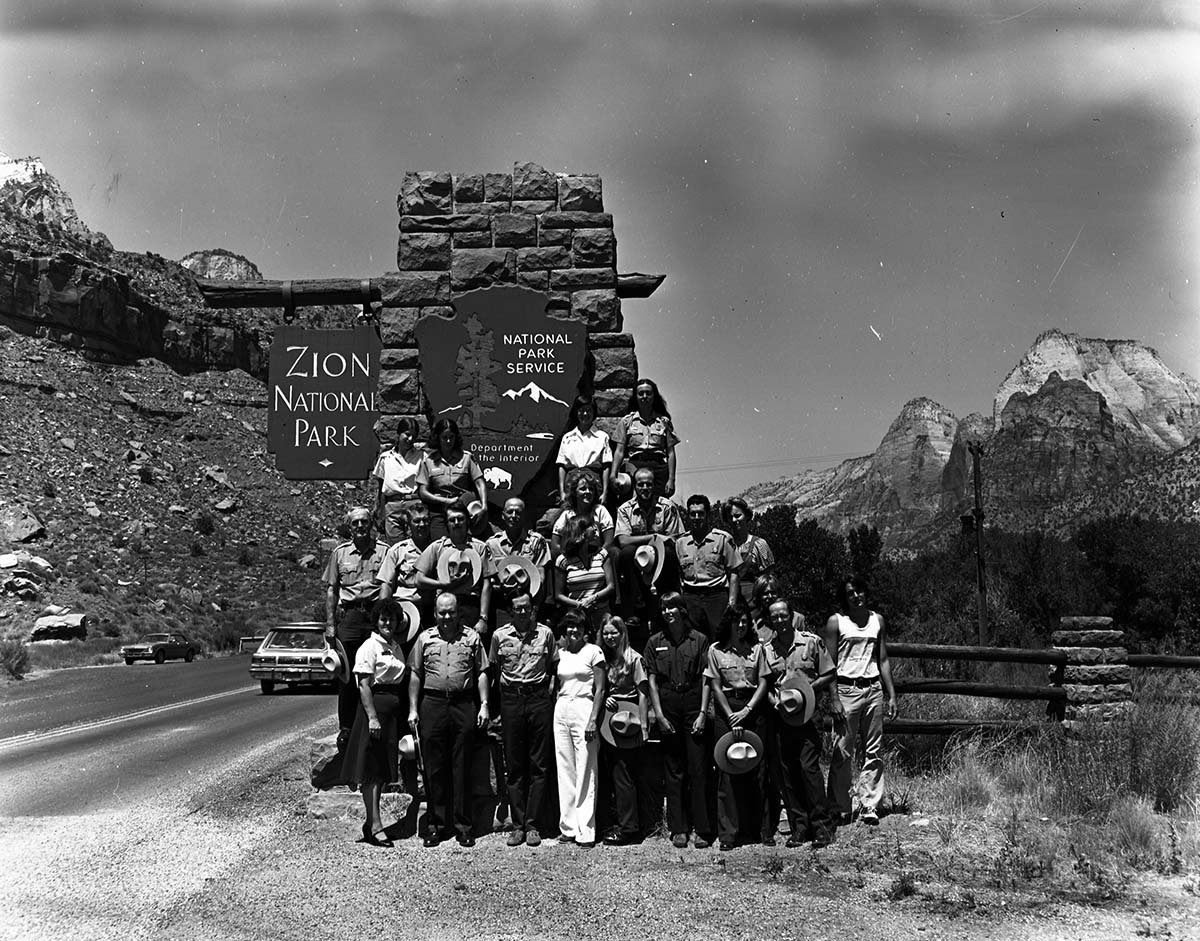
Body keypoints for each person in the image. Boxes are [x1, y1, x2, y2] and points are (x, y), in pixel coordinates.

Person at [407, 592, 490, 848]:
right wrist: (413, 708)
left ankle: (464, 826)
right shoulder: (424, 638)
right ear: (435, 613)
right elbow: (415, 674)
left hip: (464, 703)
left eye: (451, 612)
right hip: (432, 703)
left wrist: (484, 704)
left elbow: (481, 673)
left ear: (458, 612)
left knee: (462, 765)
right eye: (442, 612)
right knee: (434, 767)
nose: (446, 617)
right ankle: (436, 825)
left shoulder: (472, 638)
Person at [763, 598, 837, 848]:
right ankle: (800, 827)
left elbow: (829, 672)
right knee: (788, 771)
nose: (780, 621)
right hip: (782, 716)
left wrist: (808, 689)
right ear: (770, 620)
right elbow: (764, 684)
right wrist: (776, 701)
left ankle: (822, 826)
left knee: (809, 768)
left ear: (791, 616)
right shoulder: (767, 650)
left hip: (808, 715)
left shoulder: (811, 642)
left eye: (783, 615)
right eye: (774, 617)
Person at [825, 575, 898, 827]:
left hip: (873, 688)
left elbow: (883, 659)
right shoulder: (837, 623)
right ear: (845, 598)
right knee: (842, 750)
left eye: (859, 591)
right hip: (847, 690)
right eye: (850, 593)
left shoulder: (877, 621)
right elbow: (829, 664)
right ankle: (839, 807)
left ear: (866, 593)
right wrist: (833, 697)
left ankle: (869, 804)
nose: (856, 596)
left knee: (873, 749)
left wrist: (891, 694)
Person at [644, 592, 715, 848]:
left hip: (693, 700)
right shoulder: (655, 642)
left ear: (682, 610)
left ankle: (703, 828)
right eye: (664, 608)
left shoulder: (699, 640)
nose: (668, 611)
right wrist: (659, 714)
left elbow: (707, 678)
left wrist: (703, 713)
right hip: (668, 702)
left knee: (698, 768)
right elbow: (651, 679)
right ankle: (679, 828)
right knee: (674, 769)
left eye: (672, 607)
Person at [489, 591, 557, 848]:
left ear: (533, 609)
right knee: (515, 765)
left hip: (538, 699)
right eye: (518, 608)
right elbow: (495, 670)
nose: (523, 612)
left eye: (527, 607)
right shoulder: (499, 636)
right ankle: (517, 825)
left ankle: (533, 825)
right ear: (510, 611)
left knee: (539, 764)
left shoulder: (546, 634)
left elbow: (553, 668)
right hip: (512, 699)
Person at [340, 598, 411, 847]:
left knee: (380, 771)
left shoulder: (395, 647)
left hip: (391, 712)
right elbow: (363, 686)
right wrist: (372, 717)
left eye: (392, 618)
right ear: (376, 621)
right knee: (370, 770)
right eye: (383, 618)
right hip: (375, 712)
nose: (387, 623)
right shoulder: (369, 647)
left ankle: (372, 822)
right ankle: (376, 826)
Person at [705, 603, 770, 851]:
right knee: (727, 769)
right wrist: (732, 714)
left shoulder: (757, 649)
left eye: (744, 621)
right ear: (728, 623)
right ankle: (728, 834)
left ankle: (760, 829)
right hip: (727, 710)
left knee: (758, 768)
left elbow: (763, 681)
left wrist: (748, 710)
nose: (741, 626)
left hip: (753, 707)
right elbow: (715, 686)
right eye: (736, 622)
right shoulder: (716, 650)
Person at [323, 507, 390, 744]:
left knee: (377, 671)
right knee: (348, 675)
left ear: (371, 524)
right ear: (349, 527)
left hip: (375, 616)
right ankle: (347, 728)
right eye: (355, 523)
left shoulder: (384, 552)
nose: (360, 526)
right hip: (350, 618)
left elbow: (388, 584)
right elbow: (332, 589)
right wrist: (331, 625)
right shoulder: (339, 554)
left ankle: (376, 721)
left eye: (364, 522)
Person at [595, 614, 651, 846]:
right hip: (607, 721)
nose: (609, 637)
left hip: (627, 722)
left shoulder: (633, 658)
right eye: (606, 632)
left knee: (623, 774)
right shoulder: (602, 657)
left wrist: (644, 725)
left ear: (622, 633)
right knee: (611, 773)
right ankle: (613, 822)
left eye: (614, 632)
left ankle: (630, 828)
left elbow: (643, 692)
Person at [553, 610, 606, 847]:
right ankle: (568, 827)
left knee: (586, 768)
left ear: (586, 630)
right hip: (562, 708)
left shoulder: (593, 652)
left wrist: (593, 719)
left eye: (579, 627)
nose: (574, 631)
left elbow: (601, 689)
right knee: (565, 768)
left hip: (584, 708)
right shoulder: (560, 653)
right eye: (570, 627)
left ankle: (586, 830)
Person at [613, 467, 684, 619]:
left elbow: (674, 538)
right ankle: (637, 603)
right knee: (625, 553)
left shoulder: (667, 506)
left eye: (648, 484)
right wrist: (654, 536)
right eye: (640, 484)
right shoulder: (625, 509)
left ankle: (669, 597)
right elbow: (623, 540)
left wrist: (659, 541)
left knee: (671, 554)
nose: (645, 488)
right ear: (635, 486)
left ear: (654, 485)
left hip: (662, 555)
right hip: (638, 558)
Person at [414, 504, 495, 635]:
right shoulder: (437, 547)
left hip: (470, 606)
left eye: (460, 519)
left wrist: (483, 618)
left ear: (467, 521)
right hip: (445, 605)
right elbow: (419, 579)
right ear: (446, 524)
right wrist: (442, 584)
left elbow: (487, 584)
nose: (456, 523)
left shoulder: (480, 547)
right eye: (452, 520)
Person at [675, 494, 741, 637]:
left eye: (700, 513)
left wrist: (732, 603)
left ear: (708, 515)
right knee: (694, 641)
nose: (697, 517)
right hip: (691, 599)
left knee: (719, 639)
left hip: (716, 597)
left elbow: (734, 572)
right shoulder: (681, 543)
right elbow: (679, 576)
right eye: (693, 514)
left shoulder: (722, 539)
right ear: (688, 516)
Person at [416, 417, 488, 542]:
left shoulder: (466, 458)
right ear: (438, 438)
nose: (448, 441)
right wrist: (444, 501)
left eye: (451, 437)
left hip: (463, 509)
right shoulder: (429, 461)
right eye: (444, 437)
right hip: (439, 511)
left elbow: (479, 482)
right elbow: (423, 492)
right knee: (440, 545)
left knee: (465, 544)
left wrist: (484, 506)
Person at [610, 378, 679, 499]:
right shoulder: (627, 422)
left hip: (659, 469)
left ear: (654, 396)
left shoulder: (664, 422)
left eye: (648, 393)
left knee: (659, 506)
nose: (644, 396)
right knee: (634, 505)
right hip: (635, 467)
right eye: (641, 393)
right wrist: (613, 474)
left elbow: (671, 452)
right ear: (636, 397)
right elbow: (619, 451)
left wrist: (671, 479)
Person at [485, 497, 551, 620]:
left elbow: (541, 579)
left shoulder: (536, 542)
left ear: (524, 515)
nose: (514, 515)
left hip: (528, 605)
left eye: (518, 512)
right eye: (510, 512)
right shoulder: (491, 544)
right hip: (502, 606)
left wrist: (534, 611)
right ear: (503, 515)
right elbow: (488, 581)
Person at [553, 516, 615, 632]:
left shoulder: (601, 554)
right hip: (576, 615)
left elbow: (611, 586)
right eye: (591, 526)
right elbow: (559, 595)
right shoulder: (563, 560)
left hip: (601, 612)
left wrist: (592, 599)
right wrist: (579, 604)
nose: (595, 529)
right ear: (581, 532)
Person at [376, 501, 434, 623]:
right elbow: (386, 584)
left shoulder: (438, 549)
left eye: (425, 520)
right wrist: (383, 612)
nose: (421, 525)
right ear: (408, 525)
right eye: (416, 521)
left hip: (432, 609)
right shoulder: (397, 551)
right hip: (405, 610)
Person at [555, 394, 612, 507]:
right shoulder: (568, 437)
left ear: (593, 412)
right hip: (571, 481)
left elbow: (606, 466)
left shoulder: (602, 437)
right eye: (581, 410)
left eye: (588, 410)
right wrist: (562, 491)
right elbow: (561, 466)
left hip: (593, 482)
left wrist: (605, 492)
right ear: (576, 412)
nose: (585, 414)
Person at [373, 418, 423, 542]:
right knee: (395, 547)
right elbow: (381, 487)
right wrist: (379, 509)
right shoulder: (386, 458)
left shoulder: (422, 457)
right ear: (399, 434)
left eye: (413, 436)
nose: (410, 439)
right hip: (392, 507)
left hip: (414, 505)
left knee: (416, 545)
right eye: (407, 434)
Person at [550, 468, 614, 558]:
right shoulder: (567, 514)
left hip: (597, 555)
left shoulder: (600, 510)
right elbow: (555, 545)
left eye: (591, 489)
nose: (588, 492)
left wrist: (598, 557)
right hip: (572, 557)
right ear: (574, 492)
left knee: (614, 552)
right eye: (583, 489)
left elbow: (609, 542)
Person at [723, 497, 775, 605]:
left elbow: (769, 578)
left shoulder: (759, 544)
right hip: (729, 600)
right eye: (730, 517)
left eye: (737, 516)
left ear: (746, 516)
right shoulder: (725, 545)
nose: (734, 520)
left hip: (754, 601)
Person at [750, 573, 806, 643]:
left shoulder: (797, 619)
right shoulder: (754, 626)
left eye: (773, 593)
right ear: (758, 597)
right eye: (765, 593)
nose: (770, 596)